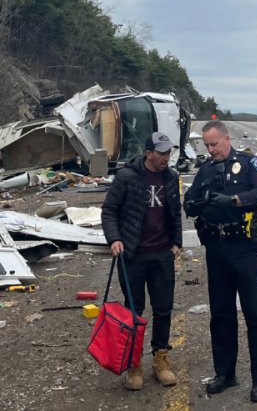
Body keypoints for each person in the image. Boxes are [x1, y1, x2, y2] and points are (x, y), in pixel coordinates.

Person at [183, 120, 257, 403]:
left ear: (227, 139)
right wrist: (193, 205)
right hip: (216, 248)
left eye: (214, 144)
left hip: (244, 248)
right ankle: (225, 372)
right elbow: (190, 199)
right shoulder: (205, 170)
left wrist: (233, 200)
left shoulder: (248, 163)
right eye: (207, 146)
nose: (211, 150)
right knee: (221, 314)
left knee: (255, 314)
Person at [100, 131, 183, 391]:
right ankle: (133, 364)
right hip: (133, 255)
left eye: (169, 153)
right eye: (162, 153)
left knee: (163, 308)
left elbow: (175, 212)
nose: (166, 158)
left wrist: (176, 242)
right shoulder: (127, 177)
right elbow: (109, 211)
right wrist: (114, 238)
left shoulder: (171, 178)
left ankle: (161, 360)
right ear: (149, 153)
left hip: (162, 255)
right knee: (134, 310)